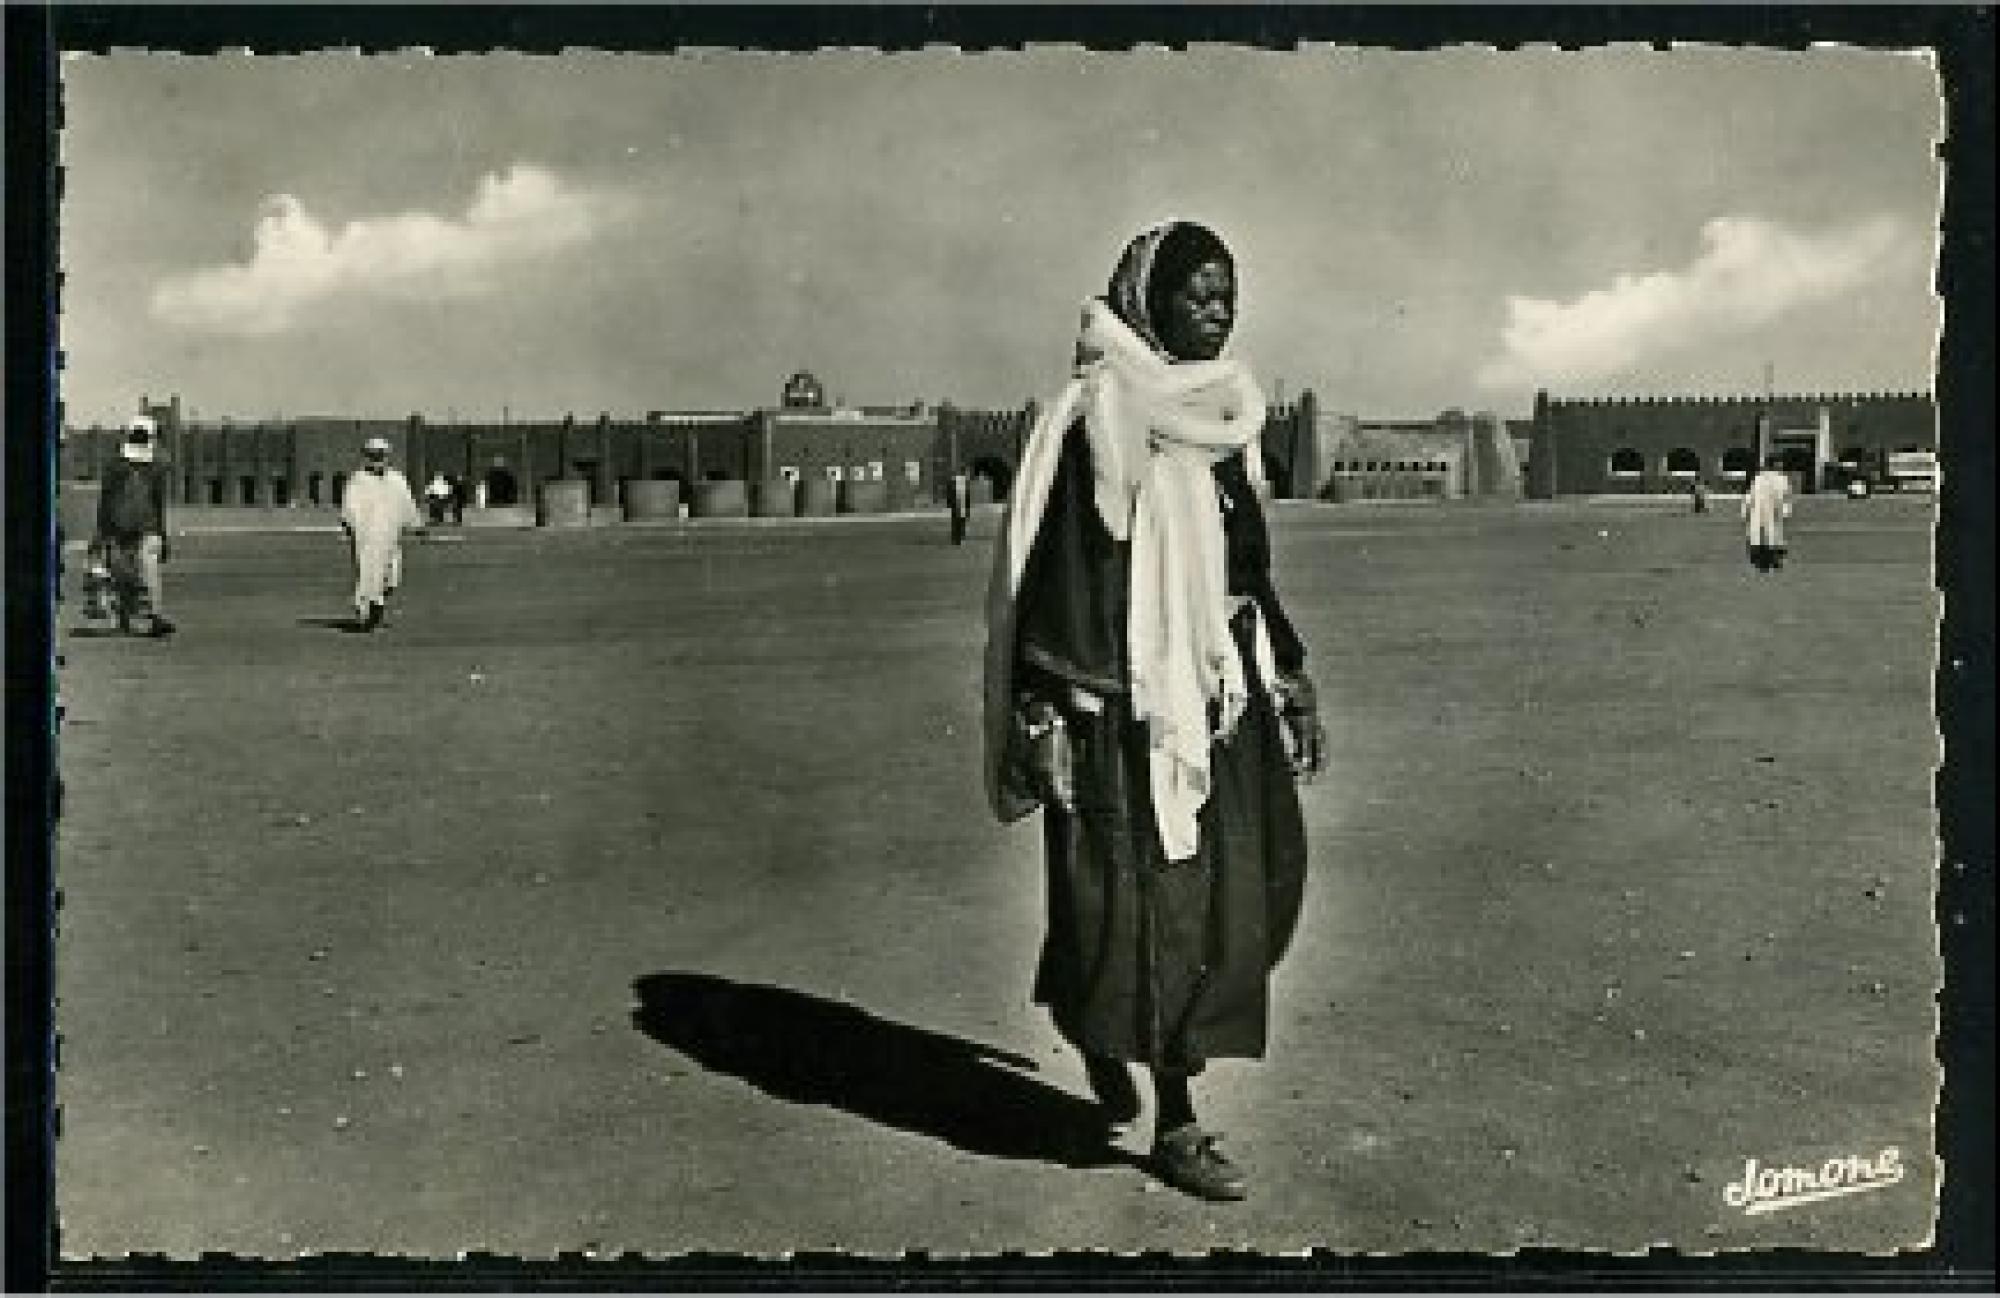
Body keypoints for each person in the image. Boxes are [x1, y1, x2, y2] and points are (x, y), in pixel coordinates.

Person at [983, 222, 1323, 1202]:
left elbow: (1246, 564)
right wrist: (1045, 707)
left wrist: (1291, 673)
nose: (1218, 312)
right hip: (1121, 702)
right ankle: (1177, 1121)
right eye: (1198, 294)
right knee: (1161, 904)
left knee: (1249, 883)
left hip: (1216, 693)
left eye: (1228, 296)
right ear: (1149, 302)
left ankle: (1093, 1014)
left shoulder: (1220, 414)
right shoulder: (1099, 412)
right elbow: (1057, 567)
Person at [91, 415, 175, 636]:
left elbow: (158, 501)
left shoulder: (155, 465)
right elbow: (106, 499)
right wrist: (101, 532)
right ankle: (127, 619)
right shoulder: (119, 465)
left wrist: (162, 533)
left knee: (145, 568)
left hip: (142, 526)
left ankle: (153, 616)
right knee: (125, 572)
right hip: (123, 526)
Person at [338, 436, 424, 630]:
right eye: (373, 455)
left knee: (391, 578)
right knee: (368, 575)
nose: (377, 459)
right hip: (367, 538)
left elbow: (407, 504)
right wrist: (349, 526)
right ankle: (365, 616)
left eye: (381, 455)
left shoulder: (397, 480)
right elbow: (349, 508)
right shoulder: (358, 481)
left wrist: (417, 525)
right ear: (367, 457)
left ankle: (376, 607)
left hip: (390, 537)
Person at [1741, 454, 1793, 572]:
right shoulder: (1781, 479)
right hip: (1772, 510)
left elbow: (1749, 497)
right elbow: (1785, 497)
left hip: (1760, 511)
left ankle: (1762, 561)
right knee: (1772, 534)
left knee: (1761, 534)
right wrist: (1786, 511)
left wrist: (1745, 511)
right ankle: (1770, 560)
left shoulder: (1758, 478)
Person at [948, 470, 971, 545]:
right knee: (956, 522)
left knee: (960, 522)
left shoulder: (965, 484)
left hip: (961, 505)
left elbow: (967, 498)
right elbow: (950, 495)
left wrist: (968, 508)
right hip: (956, 506)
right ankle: (956, 538)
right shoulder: (955, 482)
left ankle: (959, 538)